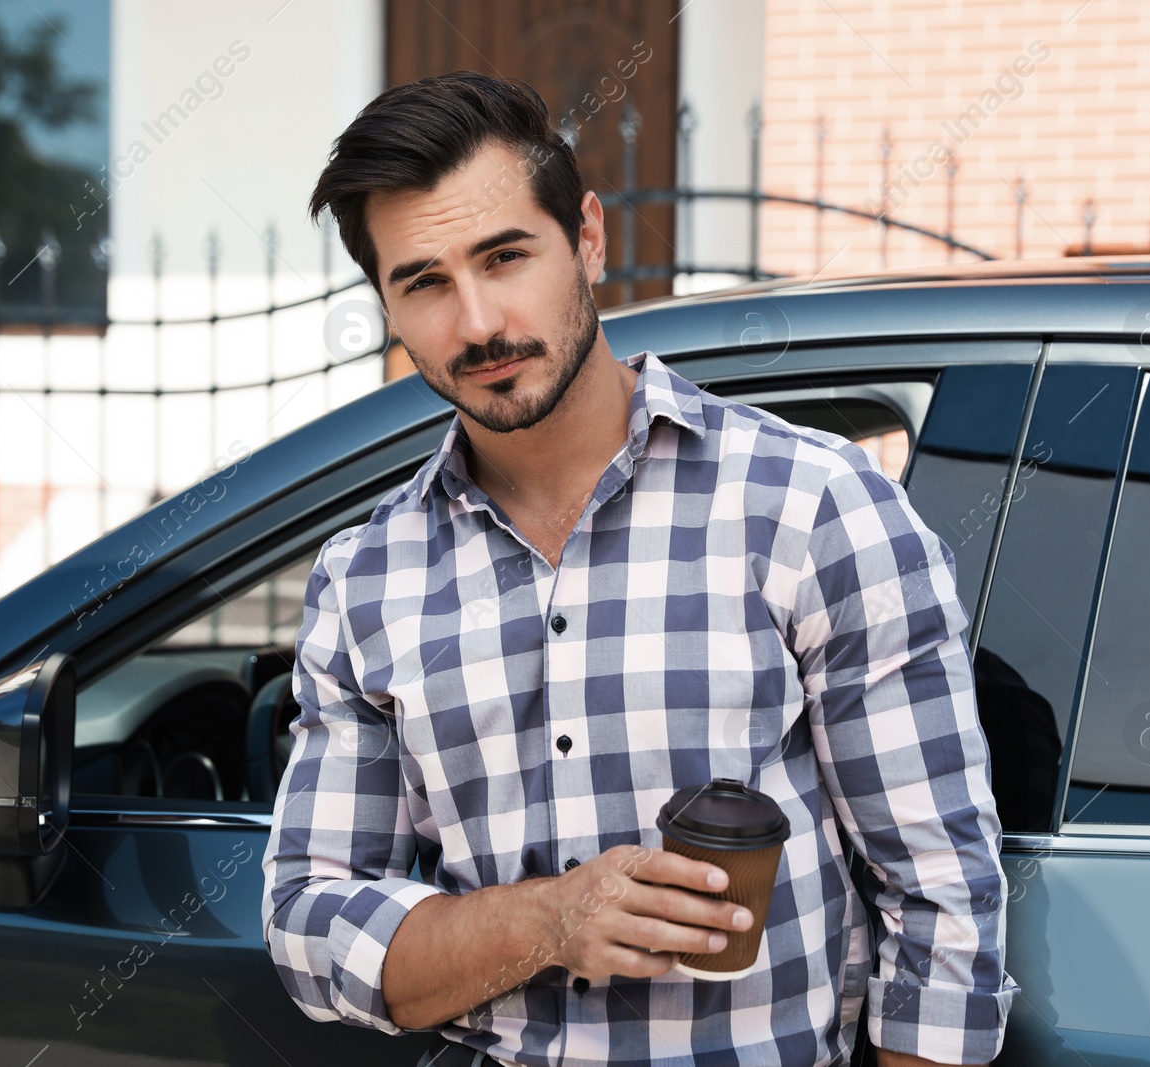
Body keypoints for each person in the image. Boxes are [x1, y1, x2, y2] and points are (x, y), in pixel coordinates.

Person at [262, 70, 1017, 1067]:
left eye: (505, 255)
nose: (479, 320)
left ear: (586, 235)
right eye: (425, 281)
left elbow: (942, 911)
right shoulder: (366, 579)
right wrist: (549, 919)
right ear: (388, 306)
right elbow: (310, 922)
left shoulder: (808, 504)